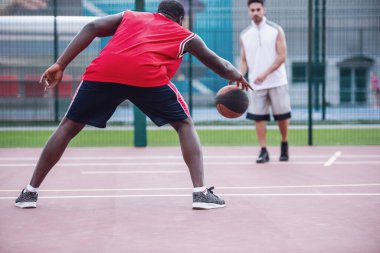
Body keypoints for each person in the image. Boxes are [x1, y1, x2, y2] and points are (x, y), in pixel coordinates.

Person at [14, 0, 251, 210]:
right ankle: (201, 193)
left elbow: (92, 27)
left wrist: (60, 64)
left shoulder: (131, 16)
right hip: (146, 76)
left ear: (158, 12)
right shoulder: (184, 34)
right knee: (184, 124)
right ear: (180, 19)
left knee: (67, 127)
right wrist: (238, 76)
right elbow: (221, 65)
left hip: (105, 72)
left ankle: (29, 191)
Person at [239, 0, 291, 164]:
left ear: (264, 10)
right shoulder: (245, 35)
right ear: (248, 12)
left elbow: (282, 56)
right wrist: (239, 76)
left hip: (277, 81)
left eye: (258, 9)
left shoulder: (276, 30)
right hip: (256, 85)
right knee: (258, 118)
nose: (255, 12)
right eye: (252, 10)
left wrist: (265, 73)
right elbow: (244, 60)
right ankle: (263, 151)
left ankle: (284, 144)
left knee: (282, 117)